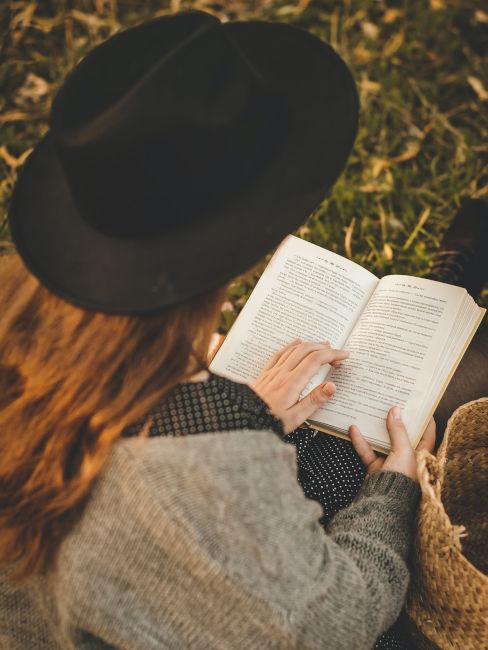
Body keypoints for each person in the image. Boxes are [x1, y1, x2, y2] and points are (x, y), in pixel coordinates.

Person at [0, 9, 481, 650]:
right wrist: (393, 490)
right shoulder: (192, 483)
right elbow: (338, 624)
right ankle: (443, 299)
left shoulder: (18, 307)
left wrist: (241, 413)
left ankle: (440, 293)